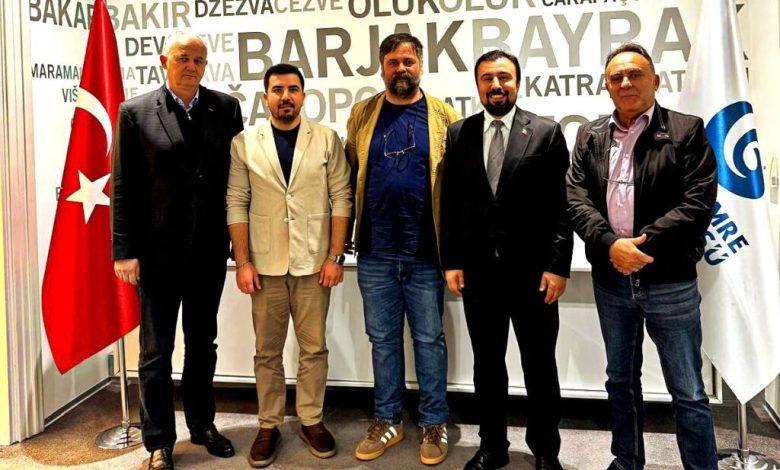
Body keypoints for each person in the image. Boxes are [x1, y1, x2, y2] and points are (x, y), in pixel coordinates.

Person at [566, 42, 719, 470]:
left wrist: (639, 246)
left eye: (635, 74)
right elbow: (576, 198)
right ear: (607, 86)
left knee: (688, 390)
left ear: (655, 80)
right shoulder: (590, 134)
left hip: (669, 280)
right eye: (616, 77)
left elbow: (697, 203)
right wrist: (609, 244)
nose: (626, 83)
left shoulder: (686, 130)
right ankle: (626, 461)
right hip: (611, 280)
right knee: (620, 381)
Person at [111, 31, 244, 470]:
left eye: (199, 60)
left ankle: (203, 425)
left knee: (203, 344)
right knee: (155, 353)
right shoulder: (134, 112)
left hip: (208, 251)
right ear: (164, 61)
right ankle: (158, 442)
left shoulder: (226, 108)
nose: (191, 66)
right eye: (183, 58)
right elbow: (124, 186)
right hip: (156, 255)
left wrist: (240, 242)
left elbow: (237, 179)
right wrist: (124, 249)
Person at [440, 50, 572, 470]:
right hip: (479, 274)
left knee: (540, 366)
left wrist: (558, 266)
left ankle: (545, 450)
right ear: (477, 85)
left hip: (534, 275)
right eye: (487, 79)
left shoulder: (546, 132)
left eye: (503, 77)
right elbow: (452, 202)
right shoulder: (459, 133)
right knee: (487, 367)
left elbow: (561, 206)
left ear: (517, 82)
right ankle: (492, 446)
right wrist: (451, 261)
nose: (496, 86)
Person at [226, 63, 352, 468]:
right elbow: (236, 202)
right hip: (264, 266)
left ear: (303, 96)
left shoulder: (327, 139)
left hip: (314, 263)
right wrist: (243, 261)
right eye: (277, 90)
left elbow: (341, 197)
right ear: (266, 97)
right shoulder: (245, 143)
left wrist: (335, 256)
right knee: (267, 352)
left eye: (293, 89)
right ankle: (269, 424)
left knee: (314, 348)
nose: (286, 97)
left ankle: (312, 419)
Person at [345, 32, 461, 466]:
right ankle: (387, 419)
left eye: (408, 62)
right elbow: (348, 174)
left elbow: (458, 186)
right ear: (382, 67)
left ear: (420, 65)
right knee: (383, 340)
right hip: (375, 250)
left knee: (429, 339)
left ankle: (433, 422)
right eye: (393, 62)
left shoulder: (444, 116)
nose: (401, 69)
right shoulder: (362, 114)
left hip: (425, 252)